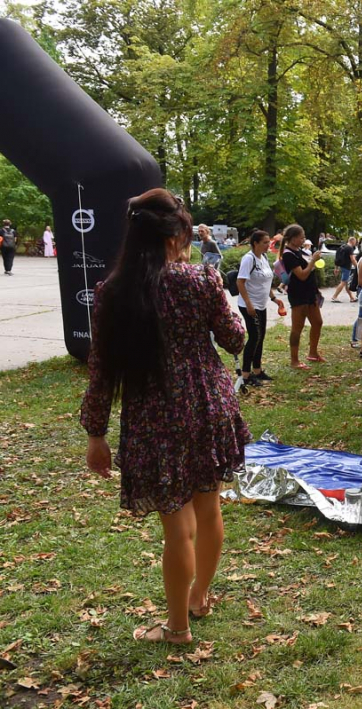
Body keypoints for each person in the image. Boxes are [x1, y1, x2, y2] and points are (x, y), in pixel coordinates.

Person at [81, 188, 248, 645]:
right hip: (208, 406)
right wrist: (224, 301)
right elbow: (235, 339)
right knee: (209, 509)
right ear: (176, 236)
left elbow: (101, 371)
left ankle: (178, 628)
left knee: (178, 526)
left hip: (155, 416)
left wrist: (96, 434)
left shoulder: (113, 292)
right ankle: (199, 597)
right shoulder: (202, 280)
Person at [235, 230, 284, 389]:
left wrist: (274, 299)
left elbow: (266, 282)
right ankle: (245, 375)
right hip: (249, 305)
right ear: (255, 243)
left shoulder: (263, 258)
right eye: (264, 242)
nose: (268, 245)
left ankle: (257, 370)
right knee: (254, 337)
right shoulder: (249, 259)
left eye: (268, 242)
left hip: (261, 305)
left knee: (260, 337)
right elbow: (240, 282)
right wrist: (249, 304)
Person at [281, 224, 325, 369]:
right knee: (297, 328)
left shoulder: (298, 251)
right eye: (301, 238)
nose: (303, 240)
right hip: (298, 295)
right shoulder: (288, 255)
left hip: (310, 293)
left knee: (317, 322)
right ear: (293, 239)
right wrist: (312, 261)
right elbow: (301, 275)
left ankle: (313, 353)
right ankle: (294, 360)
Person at [331, 236, 358, 303]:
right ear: (352, 241)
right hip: (347, 267)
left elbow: (337, 258)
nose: (355, 243)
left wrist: (336, 268)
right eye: (355, 242)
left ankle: (351, 298)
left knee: (346, 283)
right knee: (343, 282)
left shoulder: (342, 247)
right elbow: (353, 259)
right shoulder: (350, 248)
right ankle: (334, 296)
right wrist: (358, 267)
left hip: (341, 266)